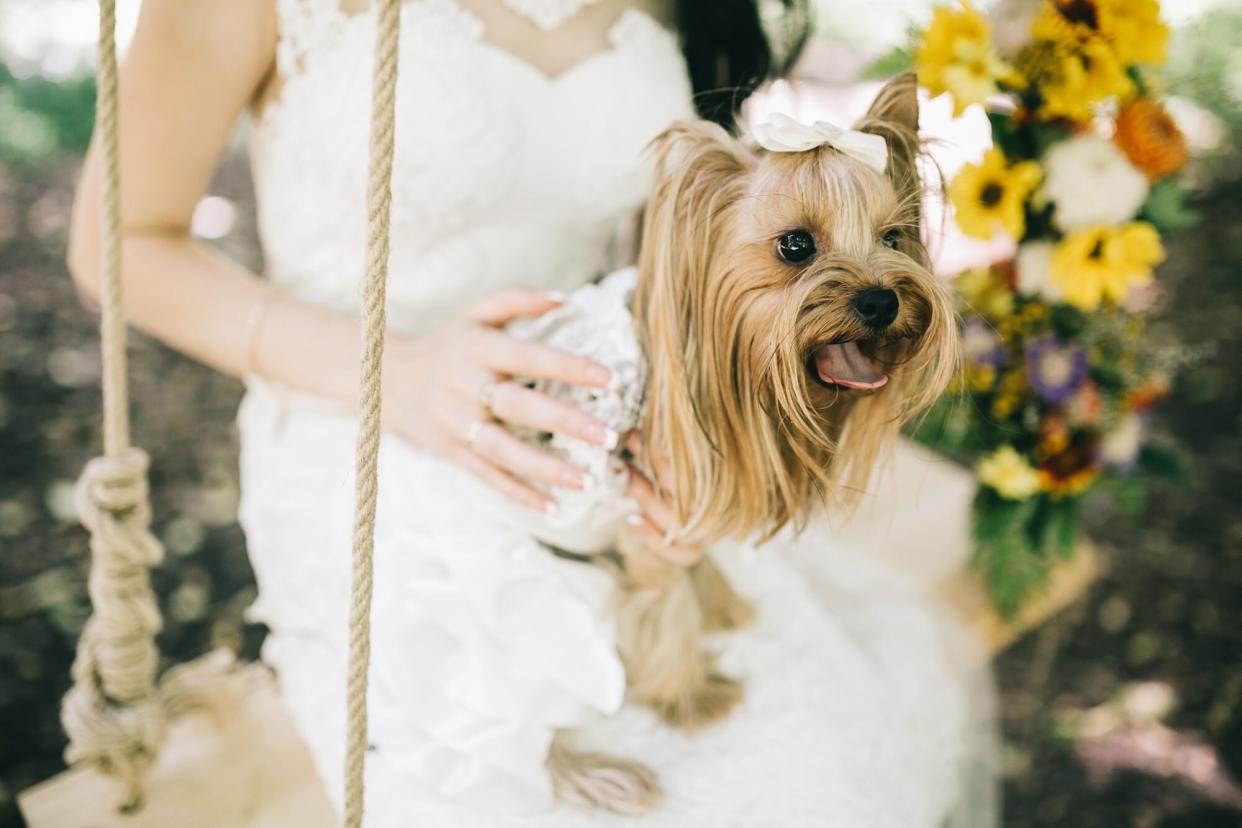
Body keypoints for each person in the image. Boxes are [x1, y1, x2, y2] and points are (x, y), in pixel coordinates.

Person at [66, 0, 997, 824]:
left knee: (808, 771)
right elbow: (119, 245)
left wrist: (679, 433)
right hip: (358, 427)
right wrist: (408, 374)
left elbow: (693, 253)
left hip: (606, 417)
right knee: (507, 769)